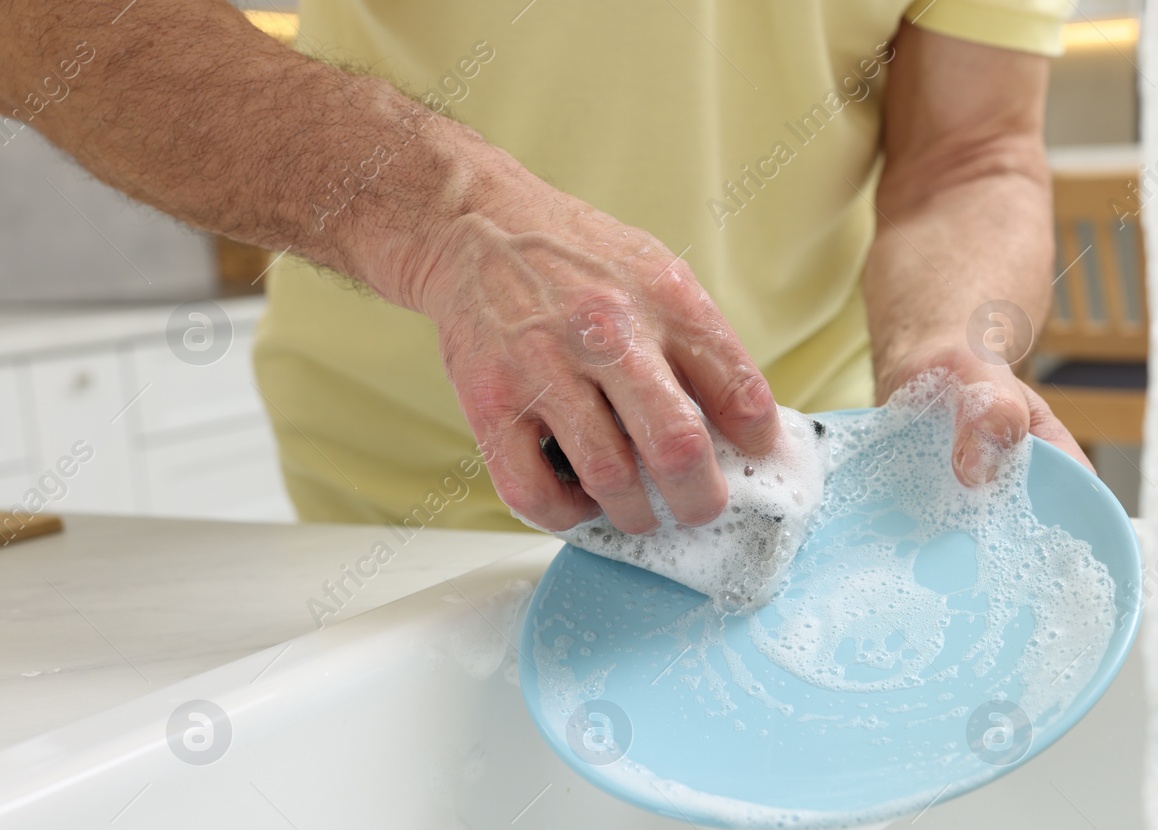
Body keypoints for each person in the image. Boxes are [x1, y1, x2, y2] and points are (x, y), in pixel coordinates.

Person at [2, 0, 1089, 536]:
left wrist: (950, 345)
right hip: (396, 501)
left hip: (794, 492)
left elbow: (971, 152)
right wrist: (446, 219)